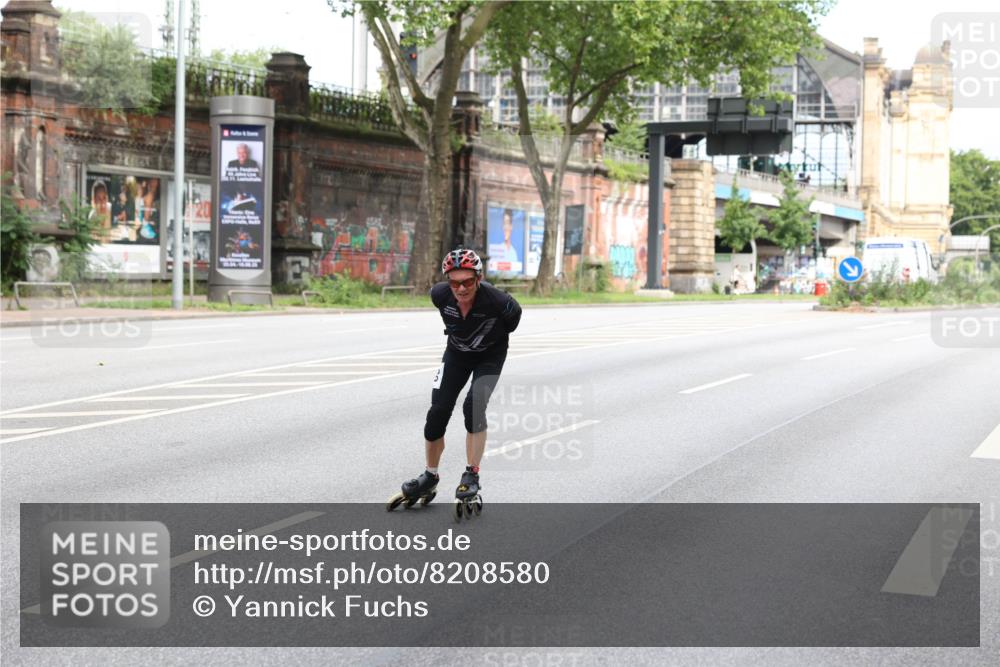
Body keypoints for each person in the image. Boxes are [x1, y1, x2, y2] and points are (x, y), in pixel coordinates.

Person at [389, 248, 522, 515]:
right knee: (437, 412)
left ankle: (472, 474)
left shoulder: (500, 302)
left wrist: (488, 340)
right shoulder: (439, 295)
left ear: (479, 278)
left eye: (468, 282)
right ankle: (430, 475)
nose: (461, 288)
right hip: (456, 354)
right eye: (454, 282)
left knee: (473, 406)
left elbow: (513, 322)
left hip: (490, 357)